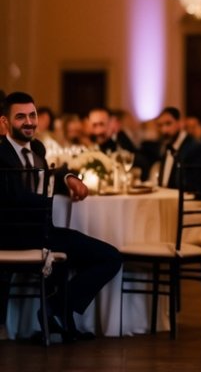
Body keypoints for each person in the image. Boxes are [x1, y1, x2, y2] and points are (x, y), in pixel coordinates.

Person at [0, 91, 122, 342]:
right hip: (14, 236)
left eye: (32, 115)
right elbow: (11, 197)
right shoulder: (1, 154)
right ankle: (56, 309)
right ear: (4, 123)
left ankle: (57, 308)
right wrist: (48, 200)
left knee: (107, 257)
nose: (29, 122)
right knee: (109, 257)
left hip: (43, 232)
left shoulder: (37, 148)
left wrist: (68, 178)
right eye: (21, 117)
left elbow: (49, 175)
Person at [156, 105, 201, 187]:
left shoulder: (195, 147)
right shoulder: (166, 147)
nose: (164, 130)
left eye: (168, 123)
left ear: (180, 123)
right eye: (160, 125)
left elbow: (197, 185)